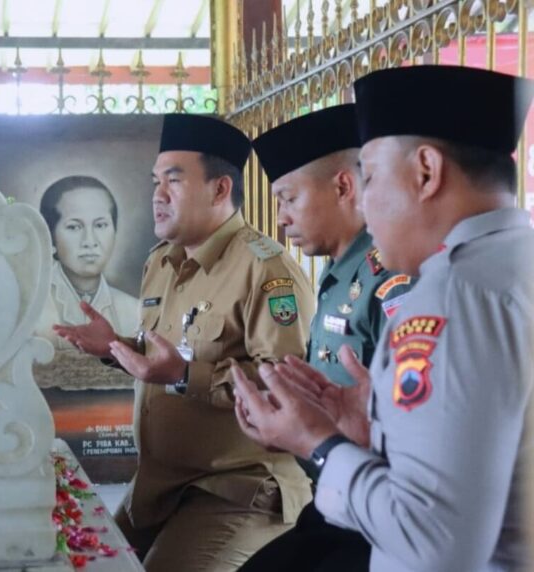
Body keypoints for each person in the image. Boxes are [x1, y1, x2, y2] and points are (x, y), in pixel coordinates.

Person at [232, 65, 534, 571]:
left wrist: (319, 444)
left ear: (426, 172)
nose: (365, 205)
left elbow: (432, 543)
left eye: (369, 176)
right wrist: (380, 430)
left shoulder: (455, 296)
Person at [53, 113, 316, 572]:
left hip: (236, 489)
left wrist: (182, 376)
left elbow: (284, 391)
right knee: (88, 565)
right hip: (162, 486)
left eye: (173, 180)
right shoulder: (163, 261)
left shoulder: (267, 271)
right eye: (156, 181)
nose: (157, 195)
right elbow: (166, 354)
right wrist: (114, 346)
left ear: (219, 189)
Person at [238, 104, 413, 571]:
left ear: (343, 187)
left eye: (289, 199)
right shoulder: (337, 273)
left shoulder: (387, 278)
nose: (280, 219)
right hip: (333, 496)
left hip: (376, 511)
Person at [34, 175, 140, 390]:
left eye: (101, 225)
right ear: (51, 236)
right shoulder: (31, 309)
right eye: (74, 227)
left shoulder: (134, 310)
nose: (90, 242)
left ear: (115, 231)